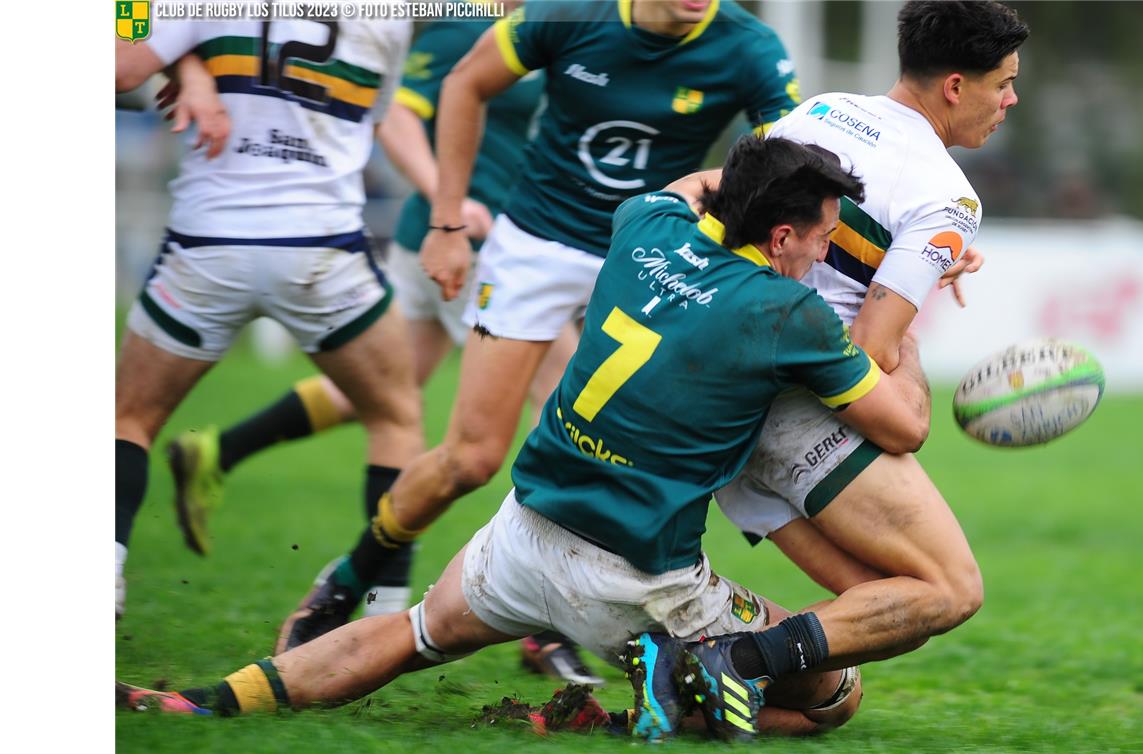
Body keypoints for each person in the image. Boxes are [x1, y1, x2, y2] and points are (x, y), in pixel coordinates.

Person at [117, 135, 928, 742]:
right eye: (821, 235)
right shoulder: (789, 313)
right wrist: (910, 318)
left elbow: (693, 187)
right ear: (781, 238)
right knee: (832, 694)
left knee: (412, 636)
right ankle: (650, 696)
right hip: (645, 581)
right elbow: (905, 426)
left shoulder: (643, 226)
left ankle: (203, 700)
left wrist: (751, 176)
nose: (827, 253)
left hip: (526, 527)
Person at [275, 0, 804, 653]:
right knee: (470, 459)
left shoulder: (748, 48)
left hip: (653, 253)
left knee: (611, 456)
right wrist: (445, 221)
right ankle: (344, 582)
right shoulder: (568, 15)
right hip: (536, 247)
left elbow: (794, 172)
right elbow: (465, 84)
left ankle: (552, 629)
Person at [156, 12, 600, 685]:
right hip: (464, 239)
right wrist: (446, 206)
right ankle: (541, 622)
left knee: (382, 392)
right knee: (562, 398)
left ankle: (218, 450)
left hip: (475, 235)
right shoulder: (464, 33)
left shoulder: (547, 34)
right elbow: (395, 114)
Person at [710, 0, 1030, 635]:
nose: (1011, 100)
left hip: (715, 382)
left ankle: (720, 667)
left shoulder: (821, 110)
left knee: (875, 608)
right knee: (944, 590)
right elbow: (874, 348)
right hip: (790, 407)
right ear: (957, 86)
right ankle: (721, 659)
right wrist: (908, 336)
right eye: (1005, 83)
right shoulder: (948, 196)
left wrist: (916, 264)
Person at [113, 14, 417, 619]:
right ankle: (387, 608)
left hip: (208, 246)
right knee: (396, 417)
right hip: (322, 253)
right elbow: (381, 116)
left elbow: (119, 66)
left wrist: (187, 65)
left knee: (129, 417)